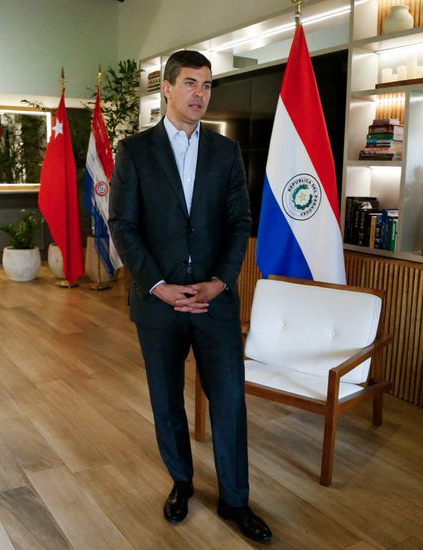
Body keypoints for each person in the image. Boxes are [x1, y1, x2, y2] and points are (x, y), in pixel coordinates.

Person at [108, 50, 272, 543]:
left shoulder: (225, 151)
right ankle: (181, 483)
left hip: (215, 303)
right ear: (167, 88)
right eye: (190, 83)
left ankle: (235, 501)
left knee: (229, 402)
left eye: (206, 85)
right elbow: (123, 224)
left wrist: (219, 282)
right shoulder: (134, 152)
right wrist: (159, 287)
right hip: (158, 305)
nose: (200, 93)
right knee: (166, 401)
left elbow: (240, 222)